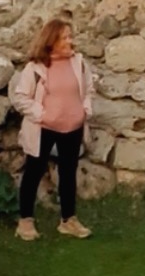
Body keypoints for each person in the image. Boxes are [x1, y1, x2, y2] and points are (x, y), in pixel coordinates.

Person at [9, 17, 95, 241]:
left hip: (72, 126)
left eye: (70, 36)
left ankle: (69, 220)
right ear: (52, 41)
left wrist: (84, 110)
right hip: (44, 127)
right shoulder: (35, 67)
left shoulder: (79, 62)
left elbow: (89, 90)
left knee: (68, 173)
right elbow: (20, 97)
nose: (70, 41)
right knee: (33, 172)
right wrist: (42, 115)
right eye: (64, 37)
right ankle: (25, 221)